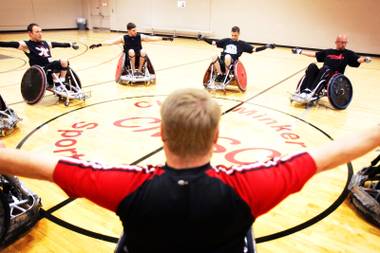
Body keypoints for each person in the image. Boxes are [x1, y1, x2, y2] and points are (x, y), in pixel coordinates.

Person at [0, 88, 379, 253]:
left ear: (161, 133)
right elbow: (338, 150)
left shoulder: (125, 186)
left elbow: (31, 163)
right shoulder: (250, 187)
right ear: (216, 137)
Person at [292, 34, 371, 97]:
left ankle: (311, 92)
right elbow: (315, 54)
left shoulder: (348, 53)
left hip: (334, 77)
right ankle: (302, 91)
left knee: (326, 68)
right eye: (342, 42)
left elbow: (357, 59)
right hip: (322, 73)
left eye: (345, 42)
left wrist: (365, 60)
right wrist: (300, 52)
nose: (344, 44)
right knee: (312, 66)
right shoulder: (329, 51)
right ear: (336, 42)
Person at [0, 23, 79, 85]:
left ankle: (61, 81)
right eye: (37, 32)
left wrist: (70, 44)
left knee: (65, 62)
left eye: (41, 31)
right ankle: (58, 84)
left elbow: (58, 44)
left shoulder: (45, 43)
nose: (40, 34)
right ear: (30, 33)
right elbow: (9, 44)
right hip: (40, 71)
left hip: (51, 68)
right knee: (59, 63)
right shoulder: (26, 45)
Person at [89, 22, 173, 75]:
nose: (135, 32)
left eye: (135, 30)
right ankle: (133, 70)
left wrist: (165, 38)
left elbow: (152, 38)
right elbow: (110, 42)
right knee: (131, 51)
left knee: (143, 51)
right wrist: (98, 45)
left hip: (139, 57)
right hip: (128, 59)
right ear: (128, 31)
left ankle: (139, 70)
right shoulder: (123, 38)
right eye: (133, 30)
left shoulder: (140, 36)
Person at [208, 26, 275, 81]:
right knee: (214, 56)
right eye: (232, 35)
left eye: (235, 35)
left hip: (231, 63)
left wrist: (266, 46)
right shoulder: (226, 40)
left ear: (239, 34)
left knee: (227, 56)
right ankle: (220, 74)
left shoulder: (242, 44)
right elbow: (213, 43)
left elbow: (254, 49)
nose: (233, 37)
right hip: (222, 62)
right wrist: (203, 38)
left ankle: (226, 75)